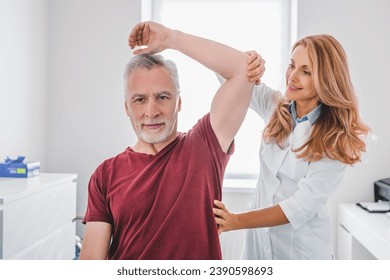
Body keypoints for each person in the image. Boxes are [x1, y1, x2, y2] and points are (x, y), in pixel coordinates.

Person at [79, 21, 264, 260]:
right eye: (139, 99)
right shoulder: (105, 175)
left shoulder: (204, 146)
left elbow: (241, 68)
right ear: (126, 107)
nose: (151, 111)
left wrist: (170, 39)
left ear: (179, 102)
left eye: (162, 97)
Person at [213, 34, 370, 260]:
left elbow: (300, 206)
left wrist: (236, 221)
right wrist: (246, 63)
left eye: (306, 72)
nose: (292, 77)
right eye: (292, 65)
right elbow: (226, 73)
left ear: (326, 80)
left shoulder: (335, 138)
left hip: (303, 253)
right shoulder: (275, 106)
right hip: (258, 249)